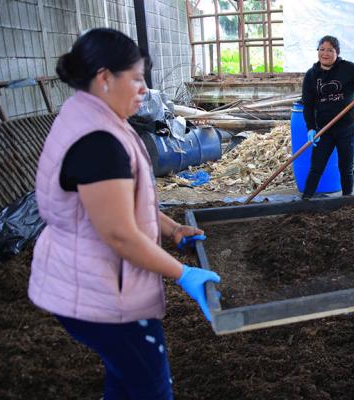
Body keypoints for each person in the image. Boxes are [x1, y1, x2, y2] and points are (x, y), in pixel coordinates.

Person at [28, 28, 220, 398]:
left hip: (87, 277)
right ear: (104, 78)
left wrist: (169, 227)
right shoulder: (98, 142)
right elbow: (118, 234)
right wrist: (183, 273)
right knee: (148, 386)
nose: (144, 89)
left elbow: (125, 202)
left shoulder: (90, 115)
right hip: (101, 293)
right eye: (136, 78)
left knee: (126, 379)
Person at [301, 35, 354, 199]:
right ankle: (306, 200)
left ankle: (347, 201)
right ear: (318, 52)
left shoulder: (348, 68)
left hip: (347, 128)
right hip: (324, 129)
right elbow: (308, 105)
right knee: (316, 167)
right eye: (322, 49)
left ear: (337, 52)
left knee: (345, 167)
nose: (325, 53)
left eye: (330, 50)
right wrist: (311, 128)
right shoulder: (311, 75)